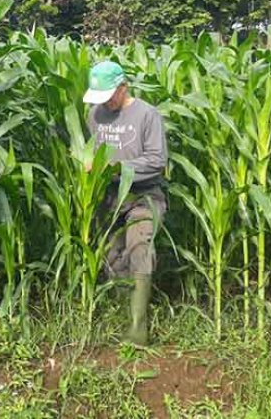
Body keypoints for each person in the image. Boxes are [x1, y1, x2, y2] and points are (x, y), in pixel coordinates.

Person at [83, 60, 168, 346]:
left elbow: (157, 160)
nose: (104, 103)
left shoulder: (147, 115)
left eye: (109, 96)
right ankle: (121, 311)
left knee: (139, 246)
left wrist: (116, 167)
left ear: (123, 86)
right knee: (112, 254)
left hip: (143, 196)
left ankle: (137, 329)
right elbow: (92, 152)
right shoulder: (95, 114)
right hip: (108, 197)